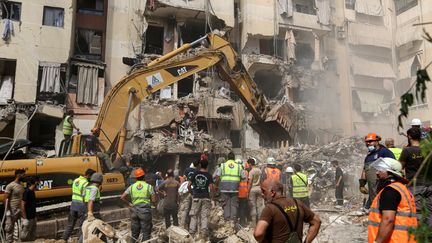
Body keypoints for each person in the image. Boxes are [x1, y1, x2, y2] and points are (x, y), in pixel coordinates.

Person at [253, 179, 321, 243]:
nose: (262, 194)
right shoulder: (298, 203)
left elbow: (258, 234)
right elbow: (317, 221)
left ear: (272, 192)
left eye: (263, 191)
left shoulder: (269, 208)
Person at [368, 158, 417, 243]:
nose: (377, 173)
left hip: (394, 240)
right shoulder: (401, 188)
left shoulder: (390, 191)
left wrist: (377, 241)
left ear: (390, 172)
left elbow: (388, 220)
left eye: (380, 170)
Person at [400, 127, 432, 226]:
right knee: (430, 212)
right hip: (429, 185)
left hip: (415, 186)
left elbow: (399, 166)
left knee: (418, 213)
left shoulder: (407, 151)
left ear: (409, 136)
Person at [359, 133, 395, 210]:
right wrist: (362, 184)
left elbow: (393, 166)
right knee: (374, 205)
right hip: (373, 191)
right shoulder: (368, 157)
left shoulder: (384, 152)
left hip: (383, 187)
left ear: (377, 141)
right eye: (367, 142)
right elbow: (365, 170)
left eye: (371, 141)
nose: (368, 143)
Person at [121, 168, 157, 242]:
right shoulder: (148, 186)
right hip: (145, 212)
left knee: (134, 234)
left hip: (134, 212)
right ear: (144, 177)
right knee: (146, 234)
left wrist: (129, 203)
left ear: (136, 178)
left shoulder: (132, 186)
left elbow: (122, 197)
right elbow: (154, 200)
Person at [63, 168, 96, 242]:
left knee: (70, 225)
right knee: (82, 226)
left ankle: (64, 239)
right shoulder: (86, 183)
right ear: (88, 175)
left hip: (73, 206)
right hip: (81, 207)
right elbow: (85, 196)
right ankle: (79, 240)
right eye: (92, 177)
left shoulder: (76, 180)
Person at [214, 152, 247, 225]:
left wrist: (216, 186)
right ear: (234, 158)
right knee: (234, 205)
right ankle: (233, 221)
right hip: (235, 188)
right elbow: (244, 177)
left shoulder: (222, 166)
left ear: (227, 158)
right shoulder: (239, 166)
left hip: (224, 188)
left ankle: (227, 221)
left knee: (226, 204)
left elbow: (217, 177)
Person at [188, 159, 214, 241]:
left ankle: (191, 235)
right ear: (207, 166)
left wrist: (192, 193)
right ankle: (204, 236)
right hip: (206, 197)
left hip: (196, 197)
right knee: (204, 217)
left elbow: (188, 185)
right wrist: (212, 198)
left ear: (200, 165)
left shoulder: (195, 174)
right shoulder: (209, 175)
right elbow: (211, 188)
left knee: (194, 216)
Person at [4, 169, 25, 243]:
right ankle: (8, 241)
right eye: (23, 174)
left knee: (22, 227)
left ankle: (18, 241)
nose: (24, 176)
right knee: (9, 228)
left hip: (20, 209)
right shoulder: (10, 185)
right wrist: (8, 210)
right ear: (18, 174)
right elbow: (6, 198)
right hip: (12, 209)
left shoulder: (21, 185)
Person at [182, 160, 200, 229]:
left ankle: (184, 225)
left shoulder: (187, 170)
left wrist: (183, 186)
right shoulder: (198, 172)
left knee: (186, 208)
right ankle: (192, 227)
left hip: (187, 190)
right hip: (194, 191)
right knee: (194, 209)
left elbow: (184, 178)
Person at [20, 176, 38, 241]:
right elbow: (22, 205)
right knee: (25, 236)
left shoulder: (32, 192)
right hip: (28, 218)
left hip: (33, 217)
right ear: (34, 183)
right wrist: (25, 218)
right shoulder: (27, 192)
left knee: (33, 235)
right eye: (37, 183)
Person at [248, 157, 264, 227]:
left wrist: (247, 191)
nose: (248, 165)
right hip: (259, 189)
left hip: (253, 189)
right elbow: (261, 181)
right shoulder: (259, 170)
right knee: (259, 206)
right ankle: (260, 222)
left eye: (248, 164)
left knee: (253, 206)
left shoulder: (251, 171)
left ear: (250, 164)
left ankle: (254, 223)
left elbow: (250, 182)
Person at [238, 161, 249, 226]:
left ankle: (239, 222)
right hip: (245, 191)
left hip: (238, 192)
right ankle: (243, 222)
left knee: (238, 207)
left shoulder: (236, 171)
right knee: (243, 208)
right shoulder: (246, 172)